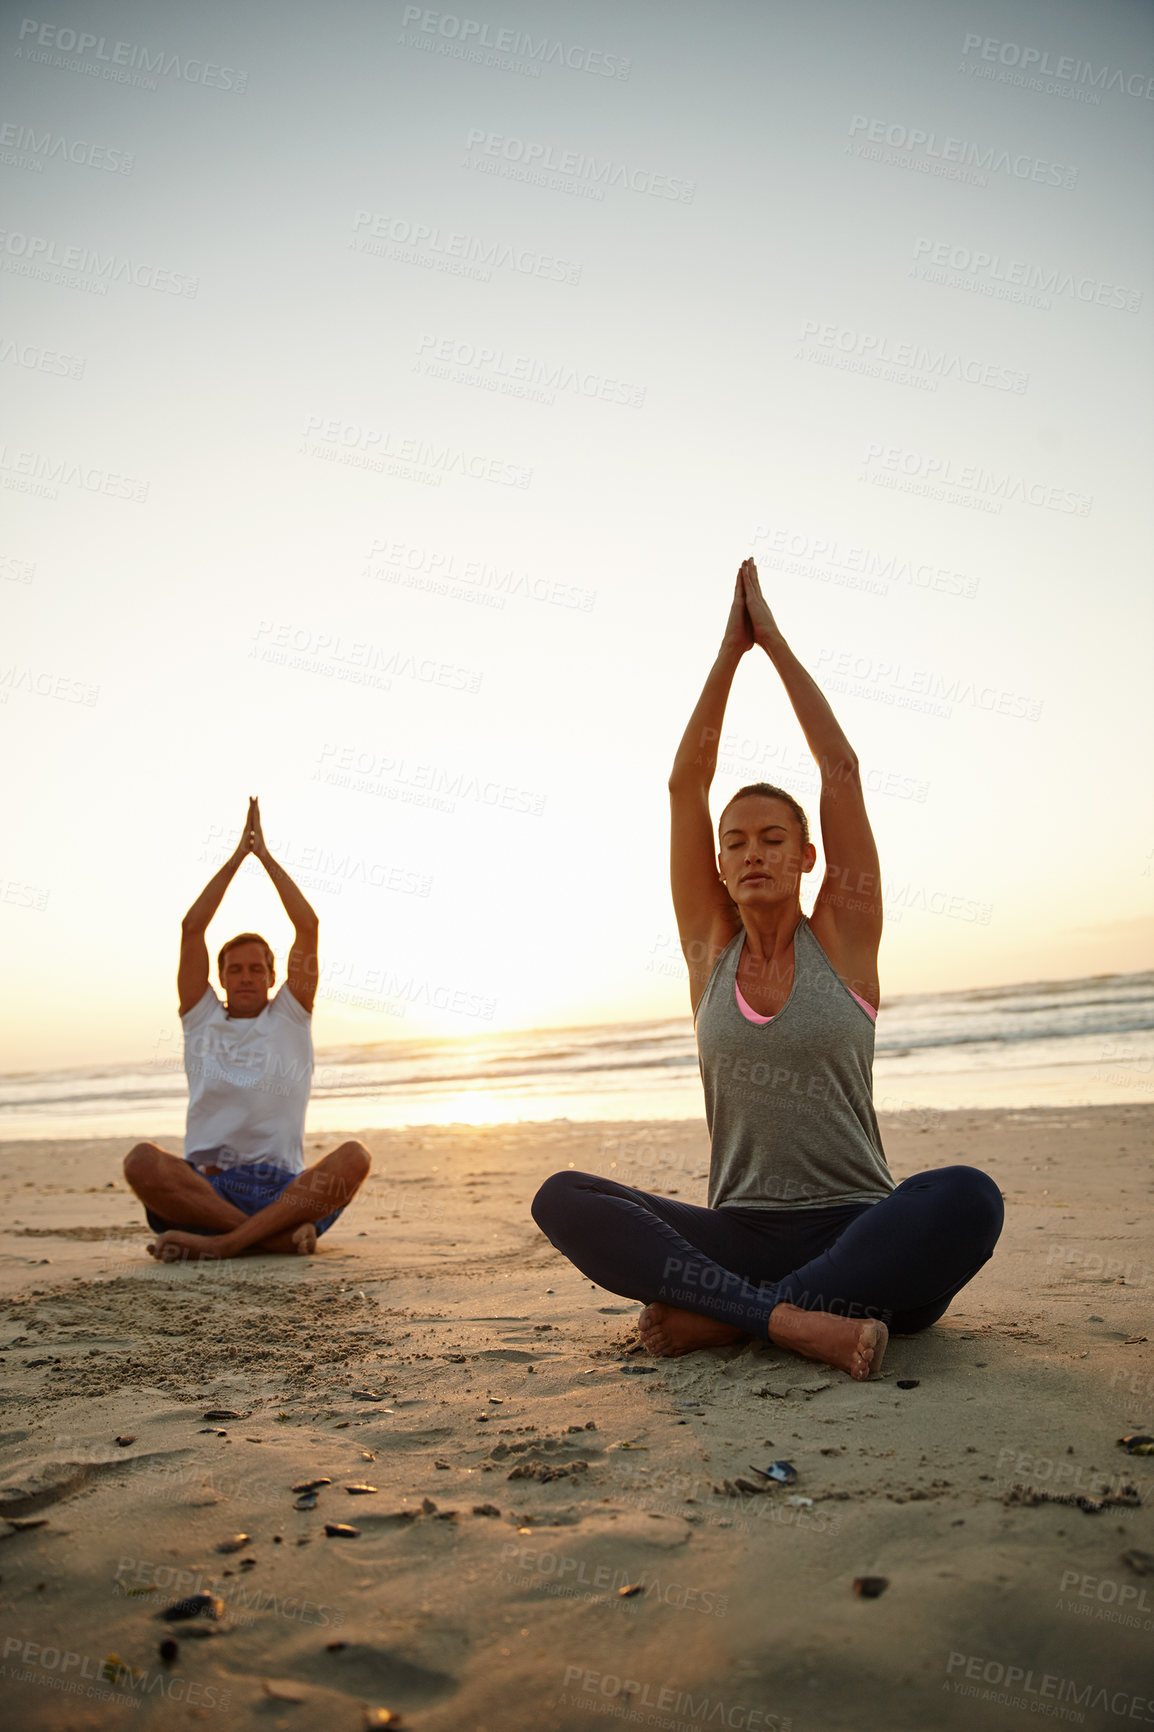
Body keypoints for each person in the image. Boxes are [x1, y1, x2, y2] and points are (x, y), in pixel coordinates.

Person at [532, 560, 1003, 1380]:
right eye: (736, 841)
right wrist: (726, 651)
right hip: (740, 1233)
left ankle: (735, 1320)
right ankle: (794, 1321)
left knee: (968, 1197)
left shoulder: (846, 938)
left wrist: (772, 643)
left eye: (774, 839)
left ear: (807, 855)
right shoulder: (708, 951)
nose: (753, 853)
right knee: (561, 1197)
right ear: (717, 862)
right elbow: (686, 783)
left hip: (863, 1233)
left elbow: (842, 773)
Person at [124, 797, 370, 1259]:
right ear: (220, 978)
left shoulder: (290, 1016)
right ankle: (268, 1239)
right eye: (235, 969)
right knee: (141, 1161)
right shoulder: (202, 1018)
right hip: (206, 1190)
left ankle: (228, 1243)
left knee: (354, 1156)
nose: (246, 977)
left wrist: (266, 858)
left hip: (282, 1193)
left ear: (273, 978)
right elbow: (192, 928)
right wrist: (237, 858)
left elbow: (307, 925)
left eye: (257, 969)